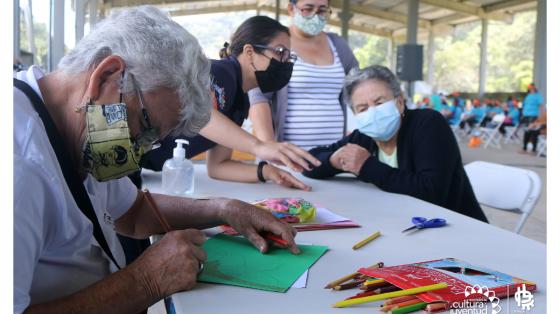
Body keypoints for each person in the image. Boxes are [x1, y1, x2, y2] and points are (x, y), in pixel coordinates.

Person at [13, 7, 300, 313]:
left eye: (154, 139)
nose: (143, 149)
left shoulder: (80, 128)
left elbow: (133, 212)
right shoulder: (19, 168)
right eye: (145, 127)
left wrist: (224, 209)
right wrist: (145, 282)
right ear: (107, 75)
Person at [141, 15, 312, 191]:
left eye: (289, 56)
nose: (286, 62)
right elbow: (199, 115)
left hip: (141, 170)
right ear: (249, 52)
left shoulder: (240, 102)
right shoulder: (219, 73)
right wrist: (260, 146)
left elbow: (217, 167)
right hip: (123, 154)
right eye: (280, 52)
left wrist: (268, 172)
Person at [301, 65, 488, 222]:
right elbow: (309, 162)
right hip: (401, 224)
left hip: (455, 227)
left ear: (399, 102)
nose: (372, 112)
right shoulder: (363, 137)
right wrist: (333, 160)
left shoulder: (427, 123)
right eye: (363, 108)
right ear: (356, 114)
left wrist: (366, 166)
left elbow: (432, 191)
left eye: (380, 102)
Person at [248, 0, 359, 150]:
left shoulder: (338, 45)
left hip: (333, 156)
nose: (315, 15)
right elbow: (259, 96)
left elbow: (359, 85)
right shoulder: (278, 45)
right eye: (308, 9)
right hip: (289, 156)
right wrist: (269, 146)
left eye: (322, 10)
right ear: (290, 9)